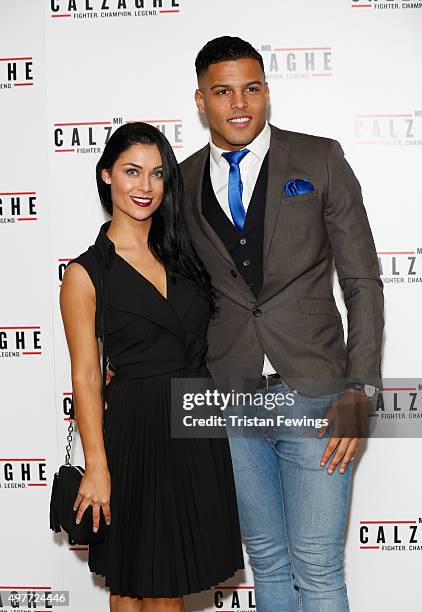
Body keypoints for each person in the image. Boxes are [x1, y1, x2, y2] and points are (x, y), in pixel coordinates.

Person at [178, 36, 384, 611]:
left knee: (317, 567)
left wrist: (361, 388)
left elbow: (363, 282)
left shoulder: (319, 159)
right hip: (233, 402)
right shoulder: (184, 182)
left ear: (267, 93)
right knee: (266, 561)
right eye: (222, 91)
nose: (239, 103)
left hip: (315, 395)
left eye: (251, 88)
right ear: (201, 100)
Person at [60, 122, 244, 612]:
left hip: (195, 423)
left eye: (157, 174)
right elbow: (85, 376)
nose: (145, 186)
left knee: (172, 582)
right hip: (135, 432)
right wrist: (96, 465)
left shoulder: (185, 254)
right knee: (134, 581)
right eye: (131, 172)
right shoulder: (85, 273)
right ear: (106, 177)